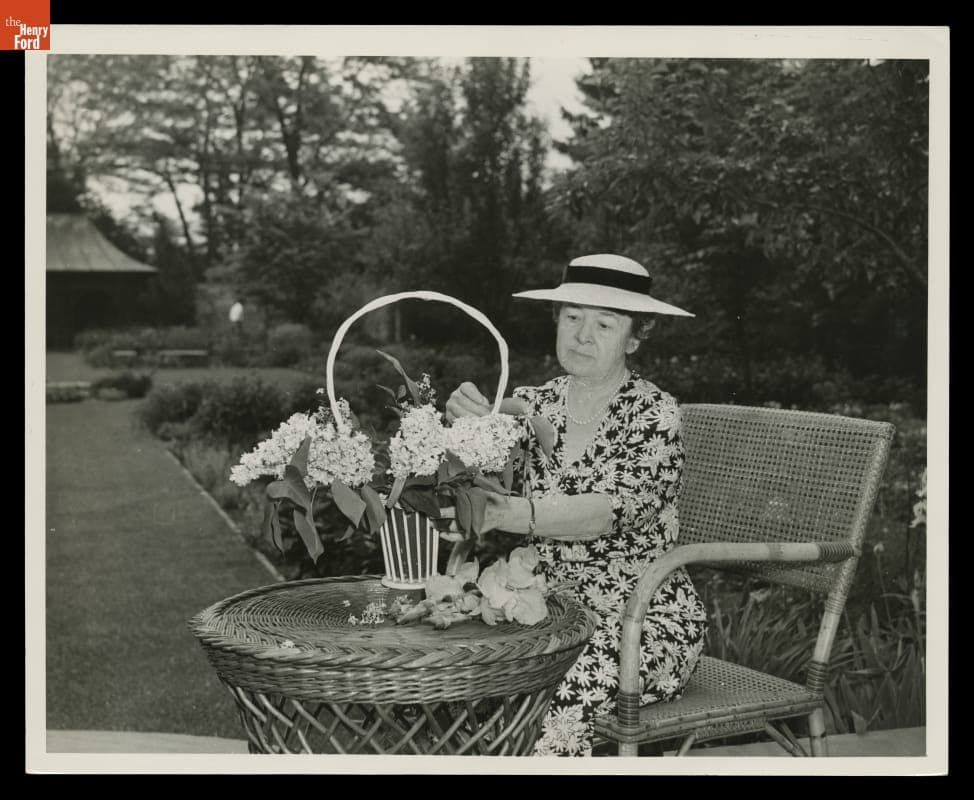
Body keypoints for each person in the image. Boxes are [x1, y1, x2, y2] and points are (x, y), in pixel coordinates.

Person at [445, 253, 709, 757]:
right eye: (572, 318)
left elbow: (603, 513)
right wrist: (465, 425)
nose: (582, 336)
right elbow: (465, 475)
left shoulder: (655, 415)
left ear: (635, 338)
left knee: (554, 694)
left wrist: (509, 514)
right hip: (541, 605)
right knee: (457, 672)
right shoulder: (529, 405)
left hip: (639, 617)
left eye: (604, 324)